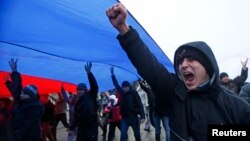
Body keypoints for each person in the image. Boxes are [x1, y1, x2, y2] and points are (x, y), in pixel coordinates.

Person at [106, 3, 250, 141]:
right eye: (180, 62)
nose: (183, 65)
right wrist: (123, 28)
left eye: (191, 59)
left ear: (207, 65)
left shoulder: (237, 107)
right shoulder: (175, 92)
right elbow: (149, 66)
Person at [5, 58, 44, 141]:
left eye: (24, 93)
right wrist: (14, 72)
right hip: (18, 135)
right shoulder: (23, 101)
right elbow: (17, 90)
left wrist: (16, 137)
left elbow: (27, 125)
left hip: (27, 137)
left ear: (30, 95)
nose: (21, 94)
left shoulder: (36, 106)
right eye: (22, 92)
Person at [110, 66, 145, 141]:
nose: (124, 88)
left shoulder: (134, 93)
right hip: (124, 119)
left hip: (134, 118)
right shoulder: (122, 93)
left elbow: (140, 104)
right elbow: (116, 85)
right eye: (123, 87)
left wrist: (142, 116)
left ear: (129, 87)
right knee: (123, 135)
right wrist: (112, 74)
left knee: (137, 135)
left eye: (126, 87)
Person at [69, 62, 99, 141]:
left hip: (92, 128)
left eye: (81, 89)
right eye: (78, 89)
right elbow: (77, 116)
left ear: (85, 90)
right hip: (82, 129)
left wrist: (89, 73)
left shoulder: (91, 96)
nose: (79, 91)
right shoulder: (78, 103)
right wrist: (72, 127)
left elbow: (95, 86)